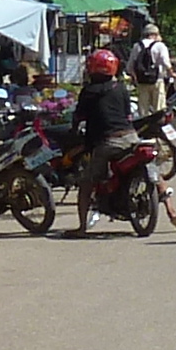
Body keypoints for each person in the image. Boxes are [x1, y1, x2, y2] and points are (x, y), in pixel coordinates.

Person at [67, 44, 137, 232]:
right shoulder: (121, 88)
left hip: (108, 142)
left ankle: (81, 227)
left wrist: (74, 131)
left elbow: (79, 117)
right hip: (131, 137)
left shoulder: (89, 91)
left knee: (86, 183)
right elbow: (128, 116)